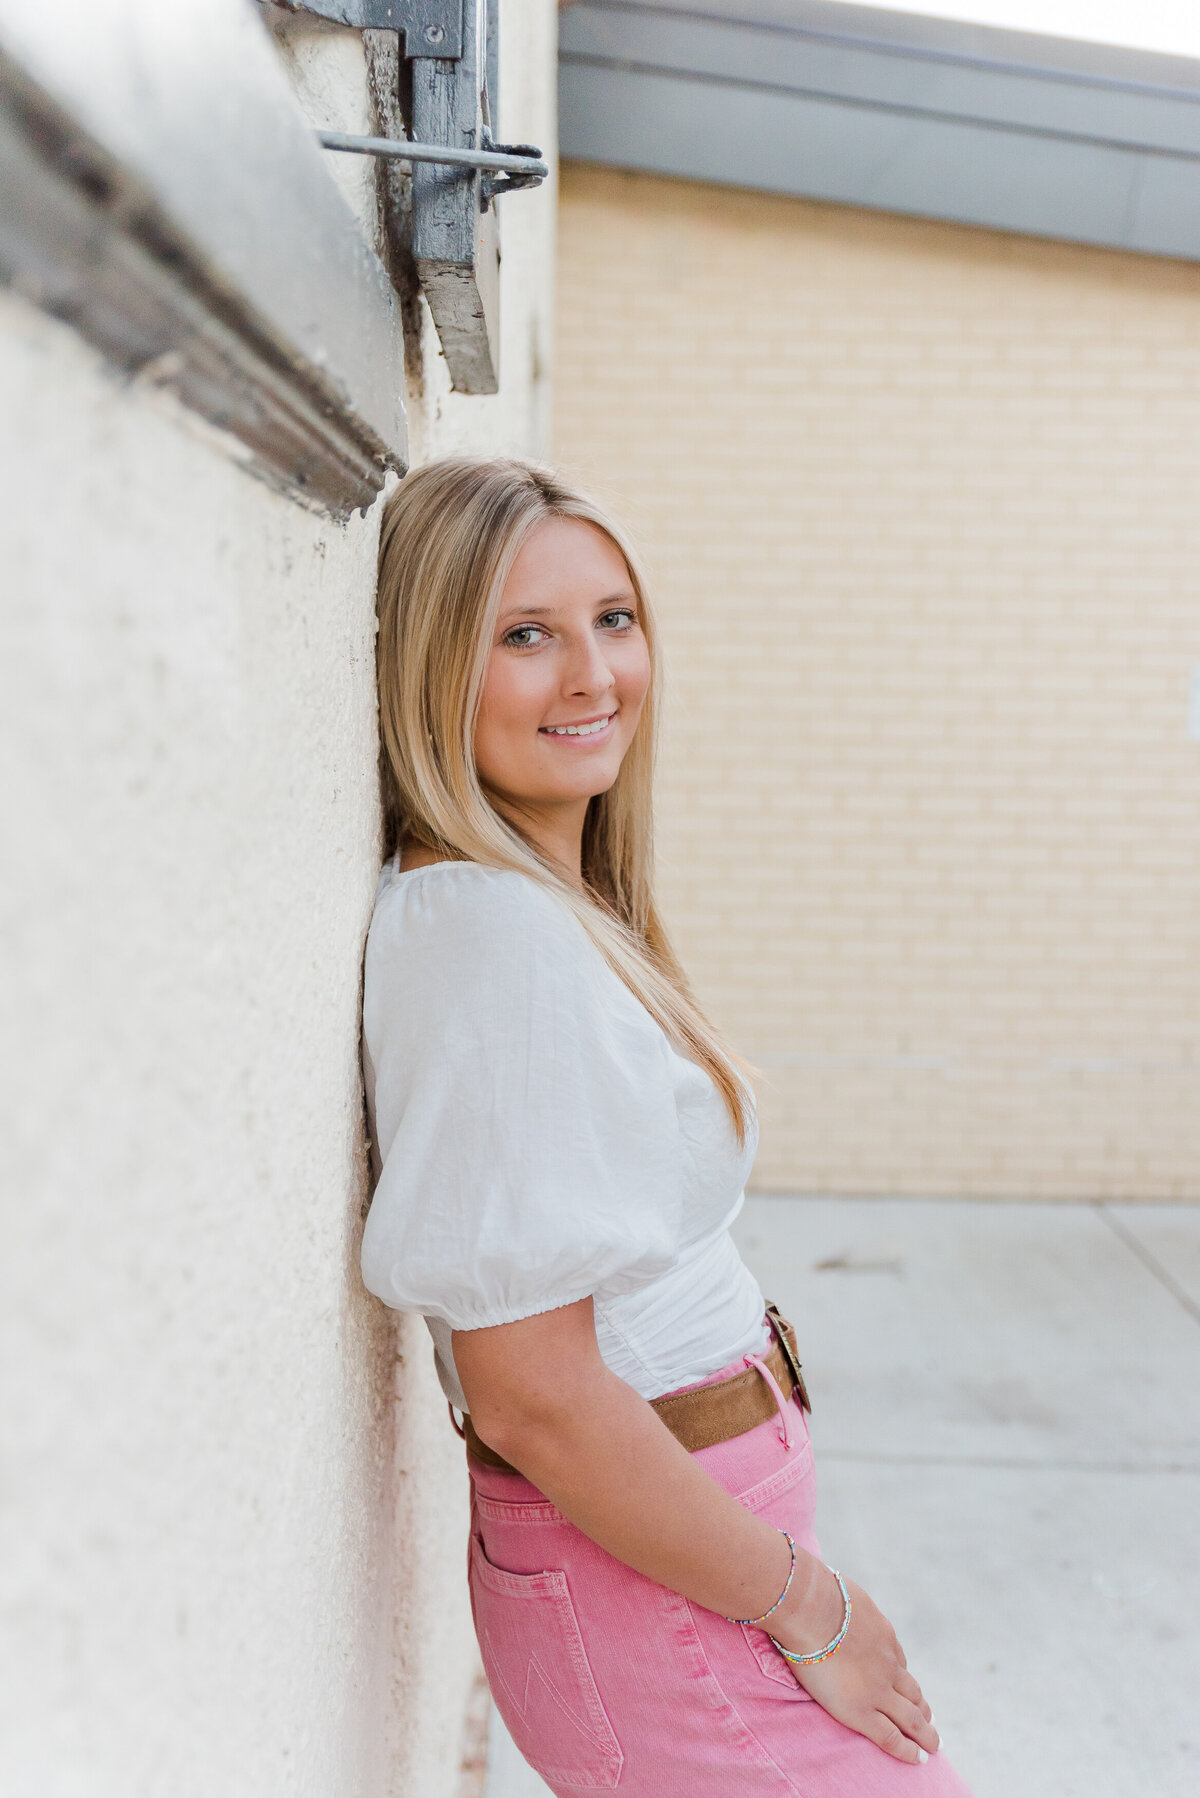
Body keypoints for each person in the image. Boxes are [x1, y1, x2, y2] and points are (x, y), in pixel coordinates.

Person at [360, 457, 974, 1796]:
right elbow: (534, 1389)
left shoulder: (540, 909)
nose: (592, 675)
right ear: (432, 669)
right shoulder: (493, 941)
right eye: (526, 635)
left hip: (680, 1563)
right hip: (655, 1589)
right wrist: (814, 1605)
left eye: (614, 618)